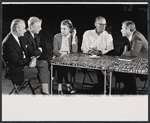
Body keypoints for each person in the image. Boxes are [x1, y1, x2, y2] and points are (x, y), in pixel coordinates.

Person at [2, 18, 40, 93]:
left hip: (24, 65)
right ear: (17, 29)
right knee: (44, 69)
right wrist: (31, 59)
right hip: (18, 71)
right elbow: (18, 62)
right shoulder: (8, 43)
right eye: (23, 28)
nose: (25, 30)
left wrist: (33, 57)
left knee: (44, 64)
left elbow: (29, 51)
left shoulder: (20, 38)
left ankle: (45, 91)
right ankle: (45, 92)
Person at [81, 16, 116, 94]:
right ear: (95, 24)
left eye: (104, 24)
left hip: (102, 57)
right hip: (89, 56)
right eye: (100, 24)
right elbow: (83, 47)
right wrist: (89, 51)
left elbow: (111, 49)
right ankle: (102, 87)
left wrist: (100, 52)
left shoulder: (107, 35)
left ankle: (102, 87)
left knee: (100, 65)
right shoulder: (87, 33)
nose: (103, 26)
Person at [19, 17, 50, 94]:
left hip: (35, 59)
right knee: (45, 64)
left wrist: (37, 52)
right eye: (38, 27)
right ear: (31, 27)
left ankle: (46, 89)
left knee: (50, 60)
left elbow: (43, 49)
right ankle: (45, 91)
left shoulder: (37, 35)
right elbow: (29, 53)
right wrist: (39, 50)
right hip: (26, 62)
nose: (41, 29)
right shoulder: (24, 35)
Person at [119, 20, 148, 94]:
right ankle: (128, 89)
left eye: (122, 28)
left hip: (145, 64)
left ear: (128, 29)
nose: (121, 30)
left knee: (127, 71)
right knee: (124, 70)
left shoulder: (136, 37)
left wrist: (124, 53)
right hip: (140, 61)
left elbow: (133, 53)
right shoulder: (134, 35)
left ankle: (132, 92)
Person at [53, 19, 78, 94]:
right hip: (59, 56)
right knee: (61, 64)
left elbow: (74, 51)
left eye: (64, 29)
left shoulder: (74, 37)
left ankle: (60, 86)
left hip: (69, 57)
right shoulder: (57, 37)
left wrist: (73, 37)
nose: (62, 31)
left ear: (70, 29)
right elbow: (55, 50)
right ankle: (67, 84)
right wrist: (62, 56)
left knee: (62, 65)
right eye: (61, 28)